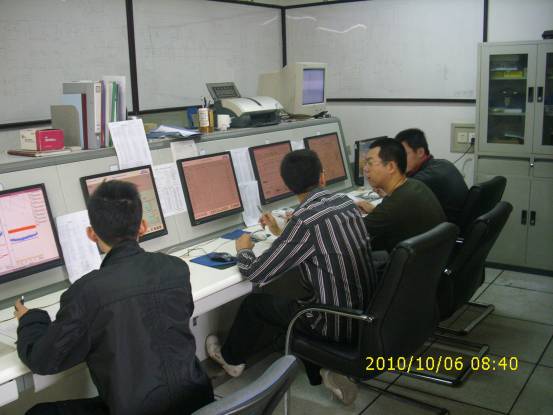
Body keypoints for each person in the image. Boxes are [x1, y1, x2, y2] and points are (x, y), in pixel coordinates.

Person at [14, 181, 213, 415]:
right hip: (197, 401)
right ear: (143, 226)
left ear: (91, 234)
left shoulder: (87, 291)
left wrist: (30, 319)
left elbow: (42, 361)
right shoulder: (176, 269)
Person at [206, 149, 378, 405]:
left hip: (333, 323)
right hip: (366, 315)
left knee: (255, 304)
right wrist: (282, 232)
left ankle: (232, 361)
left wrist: (243, 249)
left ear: (288, 186)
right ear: (322, 177)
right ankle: (326, 368)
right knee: (296, 297)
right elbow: (319, 243)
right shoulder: (344, 202)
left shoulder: (304, 221)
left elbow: (256, 273)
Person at [358, 138, 446, 252]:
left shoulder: (394, 205)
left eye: (370, 163)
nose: (365, 169)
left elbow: (355, 232)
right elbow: (396, 213)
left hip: (410, 261)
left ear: (391, 167)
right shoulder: (415, 185)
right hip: (433, 258)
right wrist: (375, 211)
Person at [395, 128, 469, 224]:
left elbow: (398, 196)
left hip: (446, 229)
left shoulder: (426, 178)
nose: (399, 161)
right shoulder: (443, 163)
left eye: (403, 155)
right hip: (452, 225)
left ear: (420, 152)